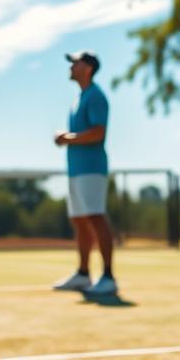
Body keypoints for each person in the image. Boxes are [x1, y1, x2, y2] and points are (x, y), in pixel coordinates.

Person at [51, 50, 118, 296]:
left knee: (95, 217)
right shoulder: (79, 98)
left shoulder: (96, 96)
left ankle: (108, 276)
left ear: (88, 68)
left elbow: (99, 133)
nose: (71, 66)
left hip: (92, 169)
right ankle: (82, 274)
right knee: (80, 220)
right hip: (76, 170)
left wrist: (67, 138)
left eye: (75, 62)